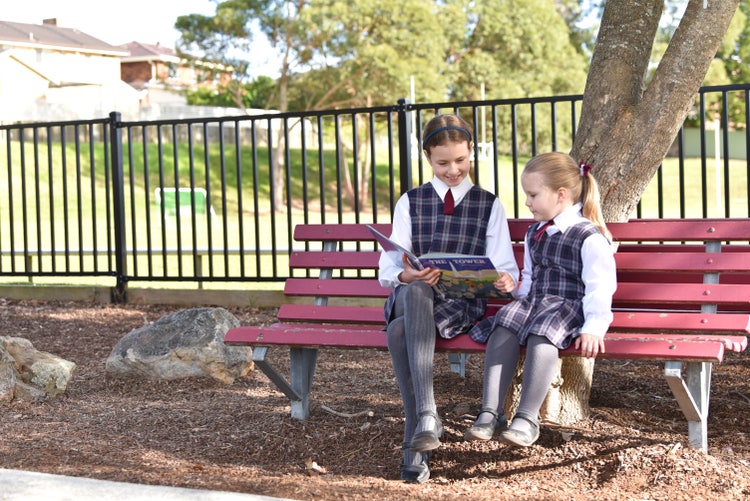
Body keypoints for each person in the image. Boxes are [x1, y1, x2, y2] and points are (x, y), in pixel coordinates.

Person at [378, 113, 519, 483]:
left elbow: (507, 268)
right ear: (427, 157)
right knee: (418, 288)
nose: (453, 169)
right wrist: (408, 273)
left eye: (461, 160)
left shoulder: (489, 205)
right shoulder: (410, 201)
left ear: (471, 151)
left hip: (459, 304)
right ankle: (426, 413)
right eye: (443, 163)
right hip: (414, 296)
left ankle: (420, 431)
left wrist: (505, 280)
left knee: (397, 333)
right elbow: (389, 267)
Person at [463, 152, 617, 447]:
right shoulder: (535, 232)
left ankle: (527, 417)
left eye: (533, 195)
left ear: (561, 195)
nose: (527, 202)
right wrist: (517, 297)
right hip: (536, 301)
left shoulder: (589, 237)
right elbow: (530, 276)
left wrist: (594, 327)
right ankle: (490, 411)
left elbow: (600, 286)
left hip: (566, 306)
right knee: (506, 322)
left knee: (542, 334)